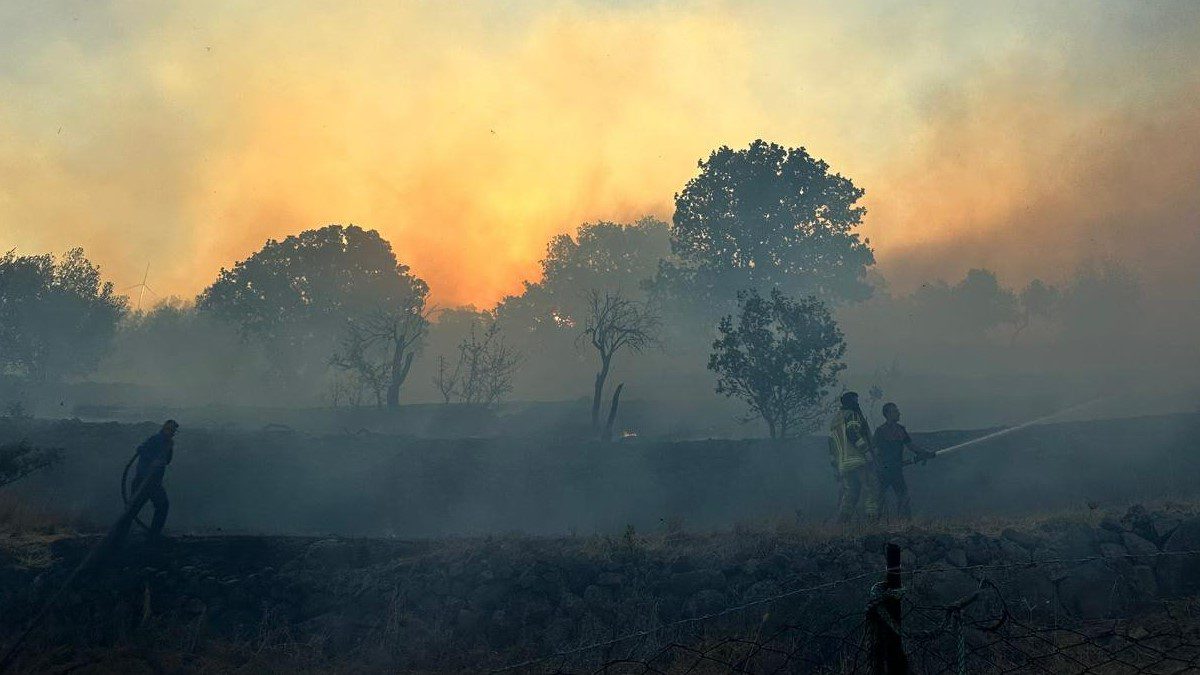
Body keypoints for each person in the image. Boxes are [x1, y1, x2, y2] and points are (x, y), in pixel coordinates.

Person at [113, 419, 178, 545]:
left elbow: (167, 461)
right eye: (169, 429)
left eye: (173, 430)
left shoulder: (167, 443)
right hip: (143, 480)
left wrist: (169, 449)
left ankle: (152, 536)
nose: (170, 432)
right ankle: (118, 537)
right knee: (133, 510)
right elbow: (140, 449)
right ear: (164, 428)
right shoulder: (156, 439)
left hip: (154, 483)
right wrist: (152, 460)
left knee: (161, 506)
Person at [874, 403, 934, 520]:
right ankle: (873, 524)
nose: (899, 413)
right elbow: (874, 450)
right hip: (884, 471)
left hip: (896, 471)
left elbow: (910, 445)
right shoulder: (880, 431)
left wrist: (924, 453)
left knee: (903, 497)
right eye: (895, 411)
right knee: (878, 499)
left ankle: (905, 524)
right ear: (888, 414)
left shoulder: (901, 430)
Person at [829, 392, 878, 523]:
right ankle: (872, 522)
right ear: (849, 402)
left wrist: (835, 465)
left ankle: (842, 523)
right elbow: (852, 432)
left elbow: (831, 445)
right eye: (855, 401)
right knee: (871, 488)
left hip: (843, 464)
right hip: (857, 460)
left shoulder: (835, 420)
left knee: (850, 494)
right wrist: (866, 451)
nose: (857, 403)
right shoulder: (853, 415)